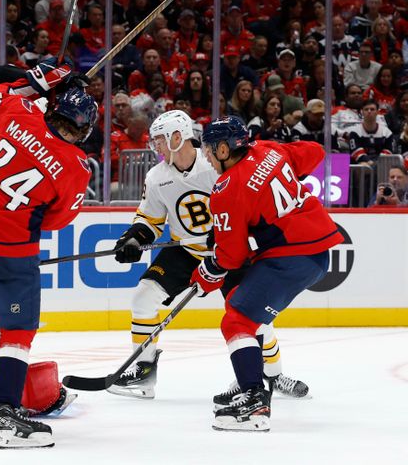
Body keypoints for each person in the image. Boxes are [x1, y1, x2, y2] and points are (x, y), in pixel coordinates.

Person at [0, 60, 95, 449]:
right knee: (16, 335)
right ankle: (8, 417)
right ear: (84, 130)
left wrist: (42, 80)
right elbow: (57, 221)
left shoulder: (19, 112)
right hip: (10, 254)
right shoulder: (77, 167)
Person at [110, 111, 308, 401]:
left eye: (161, 141)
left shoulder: (214, 164)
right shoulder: (156, 177)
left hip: (230, 251)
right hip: (186, 251)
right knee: (143, 297)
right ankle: (144, 370)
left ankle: (274, 375)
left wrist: (228, 233)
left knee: (254, 318)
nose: (157, 147)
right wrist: (133, 238)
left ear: (178, 137)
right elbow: (150, 220)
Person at [193, 116, 343, 431]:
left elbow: (231, 257)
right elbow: (314, 151)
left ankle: (254, 402)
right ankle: (253, 379)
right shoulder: (268, 149)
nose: (206, 156)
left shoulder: (227, 188)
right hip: (317, 250)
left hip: (292, 256)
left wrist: (206, 272)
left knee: (236, 319)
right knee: (240, 302)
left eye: (208, 149)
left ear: (223, 149)